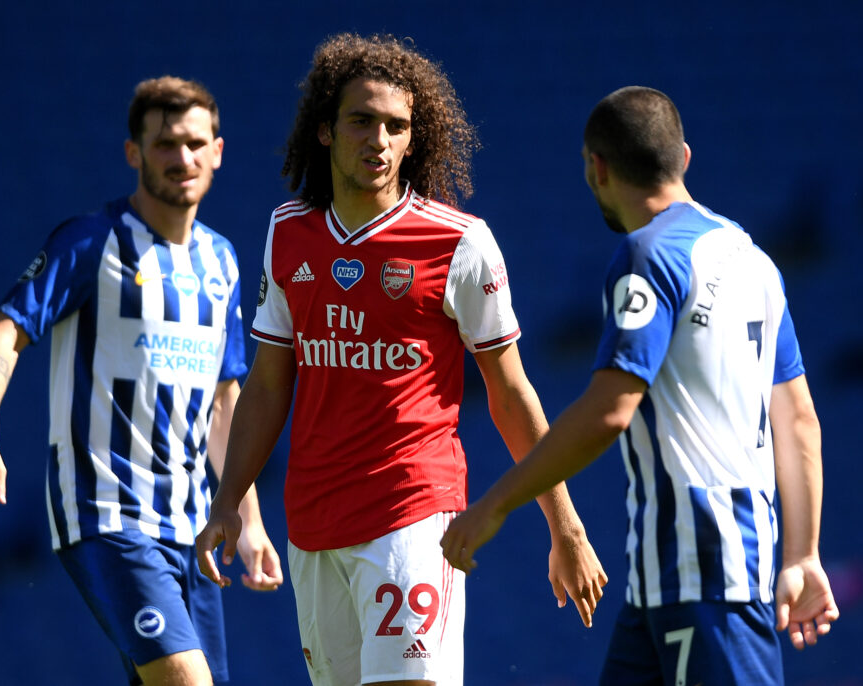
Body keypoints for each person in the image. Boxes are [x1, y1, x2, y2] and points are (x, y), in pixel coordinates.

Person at [195, 33, 607, 686]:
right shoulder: (288, 233)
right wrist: (229, 503)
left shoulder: (460, 244)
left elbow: (510, 393)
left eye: (396, 125)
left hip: (414, 516)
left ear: (415, 139)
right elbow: (269, 387)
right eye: (362, 120)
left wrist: (566, 525)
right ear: (326, 130)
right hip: (312, 527)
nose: (379, 139)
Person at [440, 86, 840, 685]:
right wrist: (803, 553)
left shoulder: (648, 256)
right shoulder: (754, 261)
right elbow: (799, 419)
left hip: (703, 571)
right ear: (682, 157)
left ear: (596, 169)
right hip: (668, 580)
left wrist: (497, 504)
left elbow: (610, 409)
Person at [0, 76, 283, 686]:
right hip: (108, 514)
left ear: (218, 151)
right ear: (133, 153)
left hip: (192, 528)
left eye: (194, 143)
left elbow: (224, 400)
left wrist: (245, 514)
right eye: (163, 144)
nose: (181, 158)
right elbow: (4, 332)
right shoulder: (90, 243)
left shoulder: (222, 261)